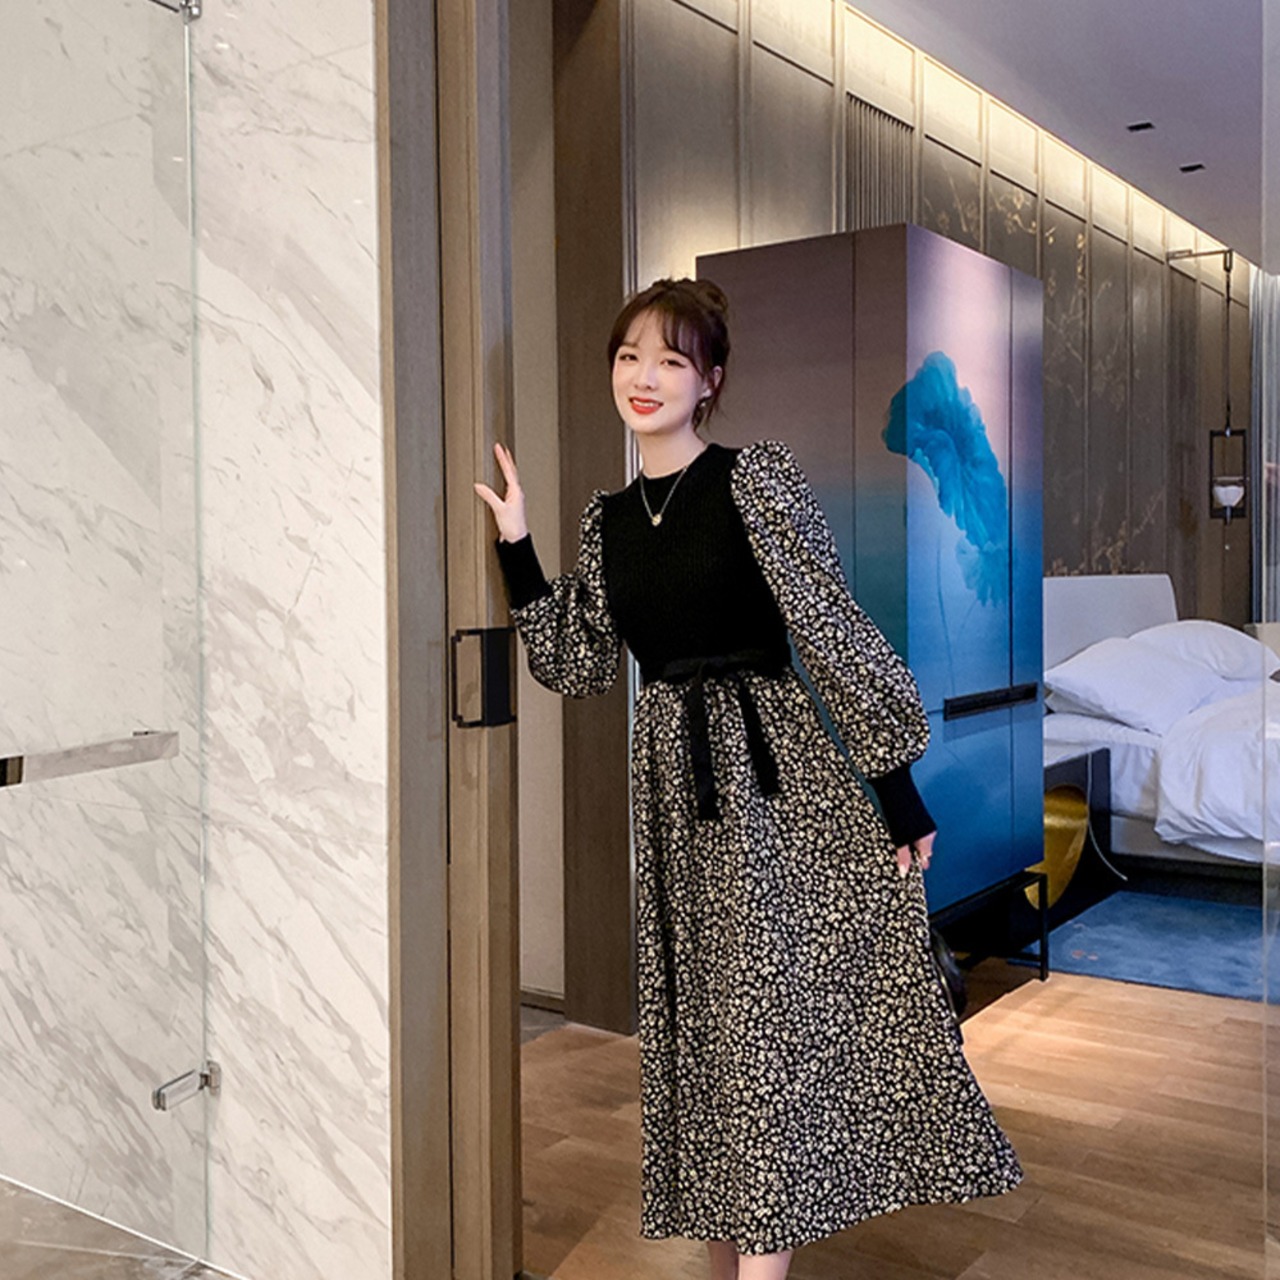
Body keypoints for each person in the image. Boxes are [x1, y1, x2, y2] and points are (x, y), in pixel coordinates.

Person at [475, 278, 1023, 1279]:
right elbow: (578, 661)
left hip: (770, 783)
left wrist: (896, 790)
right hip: (671, 797)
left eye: (670, 360)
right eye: (629, 356)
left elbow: (829, 626)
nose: (643, 377)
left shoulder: (753, 479)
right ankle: (733, 1245)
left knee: (766, 1029)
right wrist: (518, 548)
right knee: (714, 1033)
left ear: (710, 381)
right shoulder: (606, 521)